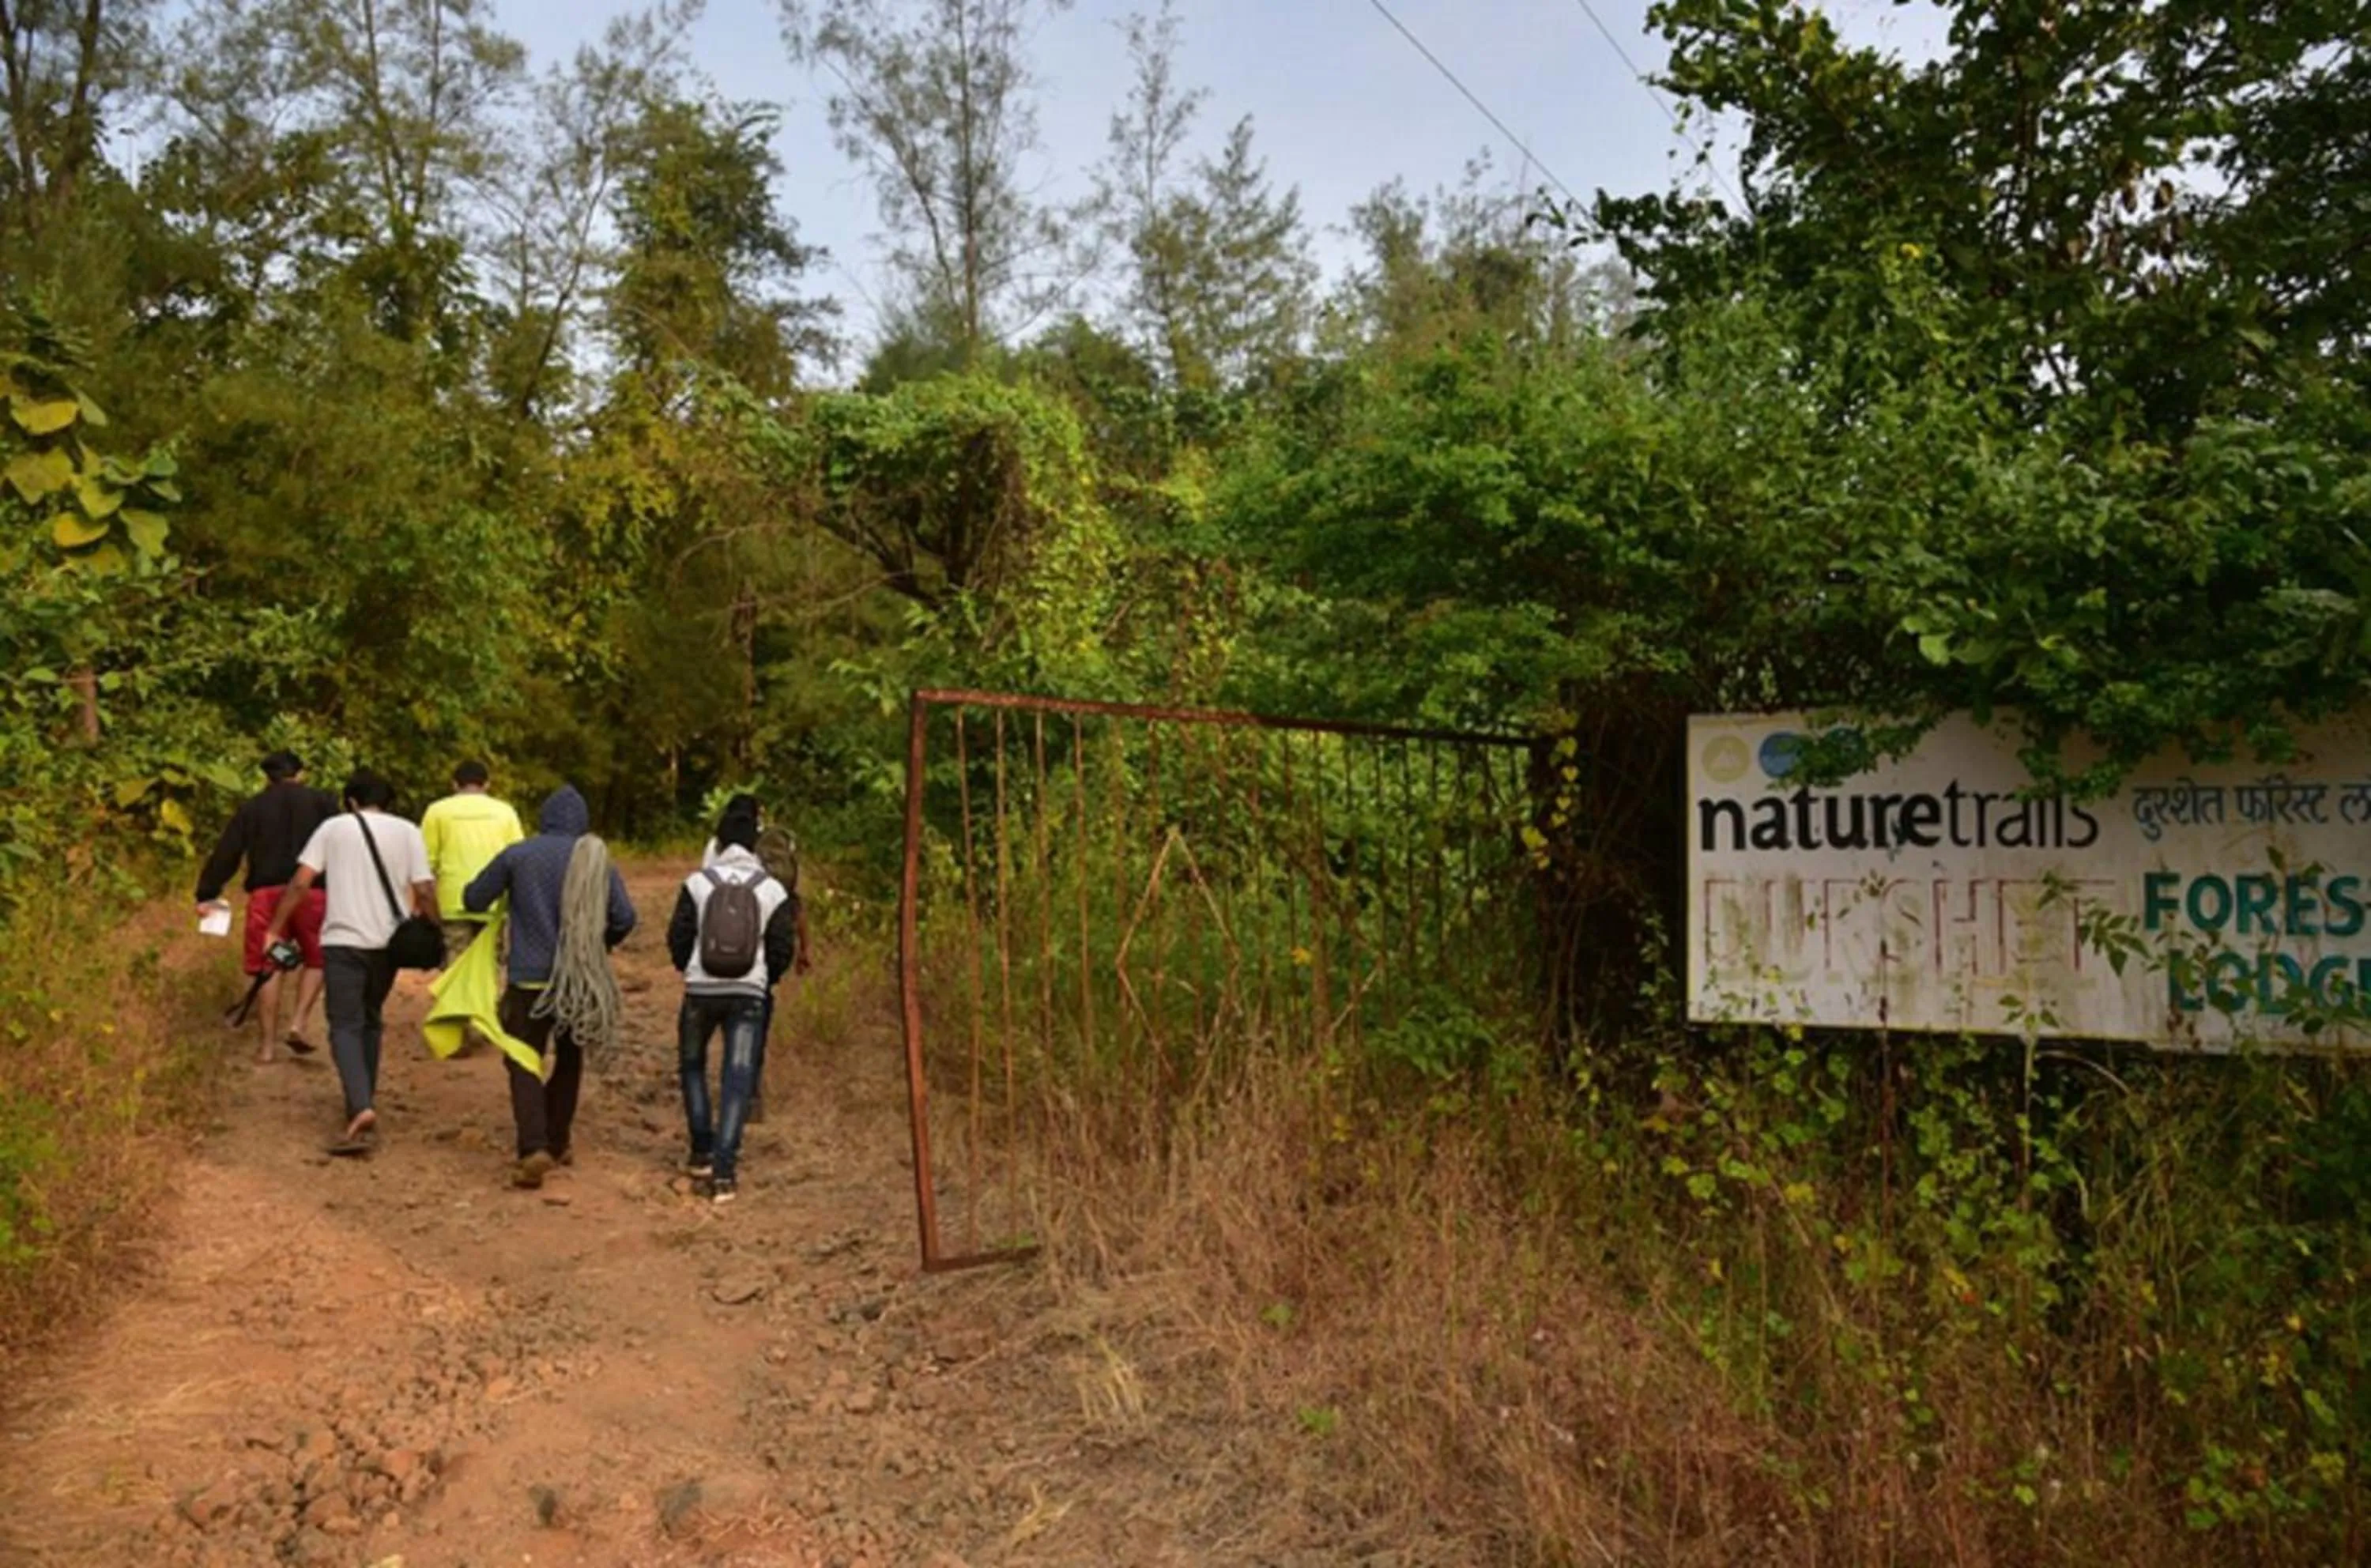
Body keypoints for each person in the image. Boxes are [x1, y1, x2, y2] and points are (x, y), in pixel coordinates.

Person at [462, 786, 637, 1189]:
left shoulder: (518, 855)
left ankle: (533, 1146)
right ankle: (558, 1141)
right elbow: (625, 917)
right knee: (570, 1058)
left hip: (528, 979)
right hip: (577, 982)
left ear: (543, 818)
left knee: (523, 1058)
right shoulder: (596, 861)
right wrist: (597, 945)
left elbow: (474, 897)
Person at [264, 770, 435, 1155]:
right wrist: (434, 926)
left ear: (352, 801)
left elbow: (301, 882)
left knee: (344, 1024)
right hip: (388, 945)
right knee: (370, 1019)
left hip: (343, 941)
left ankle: (360, 1106)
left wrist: (275, 928)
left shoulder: (333, 828)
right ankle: (363, 1101)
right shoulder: (408, 831)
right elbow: (424, 888)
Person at [667, 814, 798, 1204]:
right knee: (737, 1076)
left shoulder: (697, 883)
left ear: (720, 845)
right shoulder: (771, 888)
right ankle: (725, 1173)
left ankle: (701, 1152)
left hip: (700, 989)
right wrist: (763, 979)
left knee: (692, 1065)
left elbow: (678, 936)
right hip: (749, 992)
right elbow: (781, 947)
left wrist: (689, 970)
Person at [195, 750, 337, 1063]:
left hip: (267, 895)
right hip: (313, 892)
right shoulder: (324, 803)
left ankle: (267, 1047)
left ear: (267, 777)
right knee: (317, 959)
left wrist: (207, 892)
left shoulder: (253, 807)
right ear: (301, 773)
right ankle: (299, 1022)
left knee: (268, 964)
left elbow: (227, 853)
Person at [699, 797, 810, 1122]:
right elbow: (793, 904)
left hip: (715, 954)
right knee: (753, 1025)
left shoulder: (714, 847)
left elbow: (703, 893)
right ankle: (749, 1094)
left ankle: (730, 1093)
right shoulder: (766, 846)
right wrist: (800, 952)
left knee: (722, 1026)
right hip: (759, 959)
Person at [420, 760, 523, 967]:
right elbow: (518, 860)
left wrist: (428, 907)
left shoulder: (437, 811)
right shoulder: (505, 812)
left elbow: (425, 864)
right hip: (494, 904)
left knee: (455, 967)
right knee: (487, 969)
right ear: (486, 785)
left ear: (454, 785)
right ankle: (482, 1001)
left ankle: (456, 1000)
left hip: (452, 902)